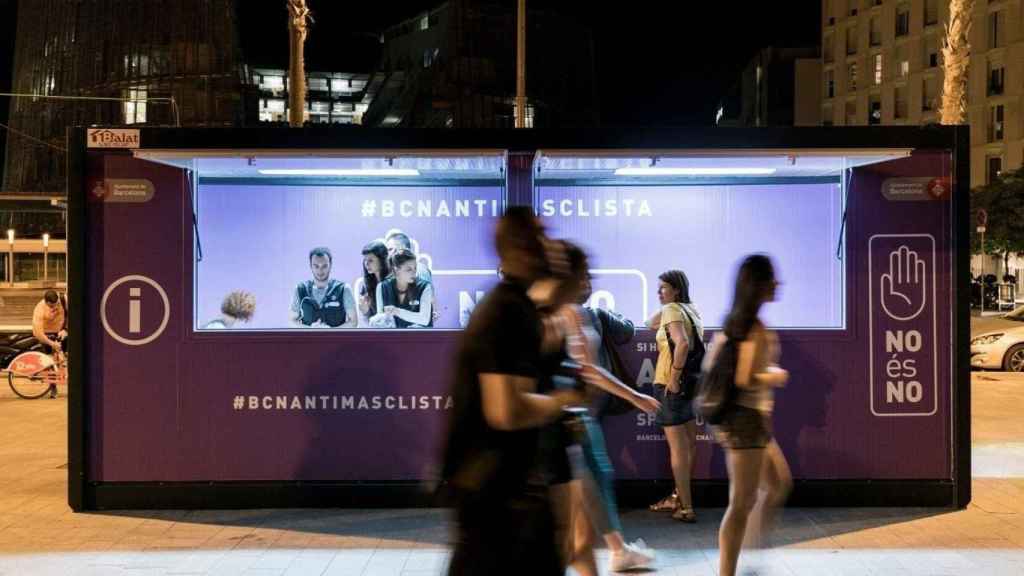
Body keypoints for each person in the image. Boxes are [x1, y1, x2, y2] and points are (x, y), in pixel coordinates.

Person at [440, 206, 586, 576]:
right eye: (542, 234)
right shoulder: (508, 311)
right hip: (499, 501)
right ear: (523, 249)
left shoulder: (512, 306)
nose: (551, 243)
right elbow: (506, 409)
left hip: (499, 495)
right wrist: (564, 401)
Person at [547, 241, 659, 575]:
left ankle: (615, 549)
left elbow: (590, 368)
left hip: (579, 415)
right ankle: (616, 549)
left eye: (589, 277)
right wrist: (634, 397)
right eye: (582, 276)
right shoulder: (557, 315)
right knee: (583, 499)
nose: (588, 282)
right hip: (565, 417)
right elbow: (588, 370)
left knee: (591, 493)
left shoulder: (580, 312)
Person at [707, 255, 792, 576]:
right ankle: (728, 570)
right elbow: (745, 379)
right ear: (758, 285)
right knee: (740, 503)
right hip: (745, 421)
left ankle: (750, 553)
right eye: (771, 278)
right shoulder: (752, 328)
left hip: (750, 420)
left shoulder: (736, 324)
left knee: (777, 483)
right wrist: (775, 375)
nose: (777, 284)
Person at [645, 269, 704, 523]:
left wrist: (673, 377)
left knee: (679, 450)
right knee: (689, 446)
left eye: (663, 288)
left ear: (676, 289)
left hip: (671, 384)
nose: (658, 292)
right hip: (690, 385)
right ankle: (677, 498)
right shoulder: (690, 309)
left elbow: (681, 344)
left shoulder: (673, 311)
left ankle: (686, 507)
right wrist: (669, 303)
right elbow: (650, 323)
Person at [289, 247, 357, 328]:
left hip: (336, 340)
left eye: (324, 266)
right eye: (316, 266)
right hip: (308, 340)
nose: (320, 270)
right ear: (311, 266)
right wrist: (311, 330)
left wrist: (330, 332)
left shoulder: (343, 289)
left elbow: (353, 322)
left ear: (330, 265)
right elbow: (291, 321)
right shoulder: (300, 289)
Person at [385, 229, 439, 322]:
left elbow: (427, 305)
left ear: (404, 249)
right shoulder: (393, 272)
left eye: (391, 249)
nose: (388, 254)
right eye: (388, 250)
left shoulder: (420, 270)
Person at [372, 249, 434, 328]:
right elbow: (381, 320)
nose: (414, 273)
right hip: (393, 338)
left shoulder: (424, 287)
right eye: (409, 269)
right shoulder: (382, 287)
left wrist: (397, 311)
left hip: (420, 337)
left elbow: (424, 319)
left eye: (415, 268)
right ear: (396, 270)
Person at [32, 290, 66, 398]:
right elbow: (38, 333)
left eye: (55, 305)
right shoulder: (39, 309)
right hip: (45, 335)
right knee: (50, 362)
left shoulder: (63, 300)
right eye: (51, 306)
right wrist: (52, 343)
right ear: (45, 301)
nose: (53, 308)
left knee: (64, 359)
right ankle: (53, 387)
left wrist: (65, 329)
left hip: (61, 332)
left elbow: (72, 314)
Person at [354, 240, 390, 326]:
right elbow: (368, 321)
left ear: (382, 260)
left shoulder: (394, 282)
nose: (366, 264)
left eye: (371, 260)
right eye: (365, 260)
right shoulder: (366, 285)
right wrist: (365, 312)